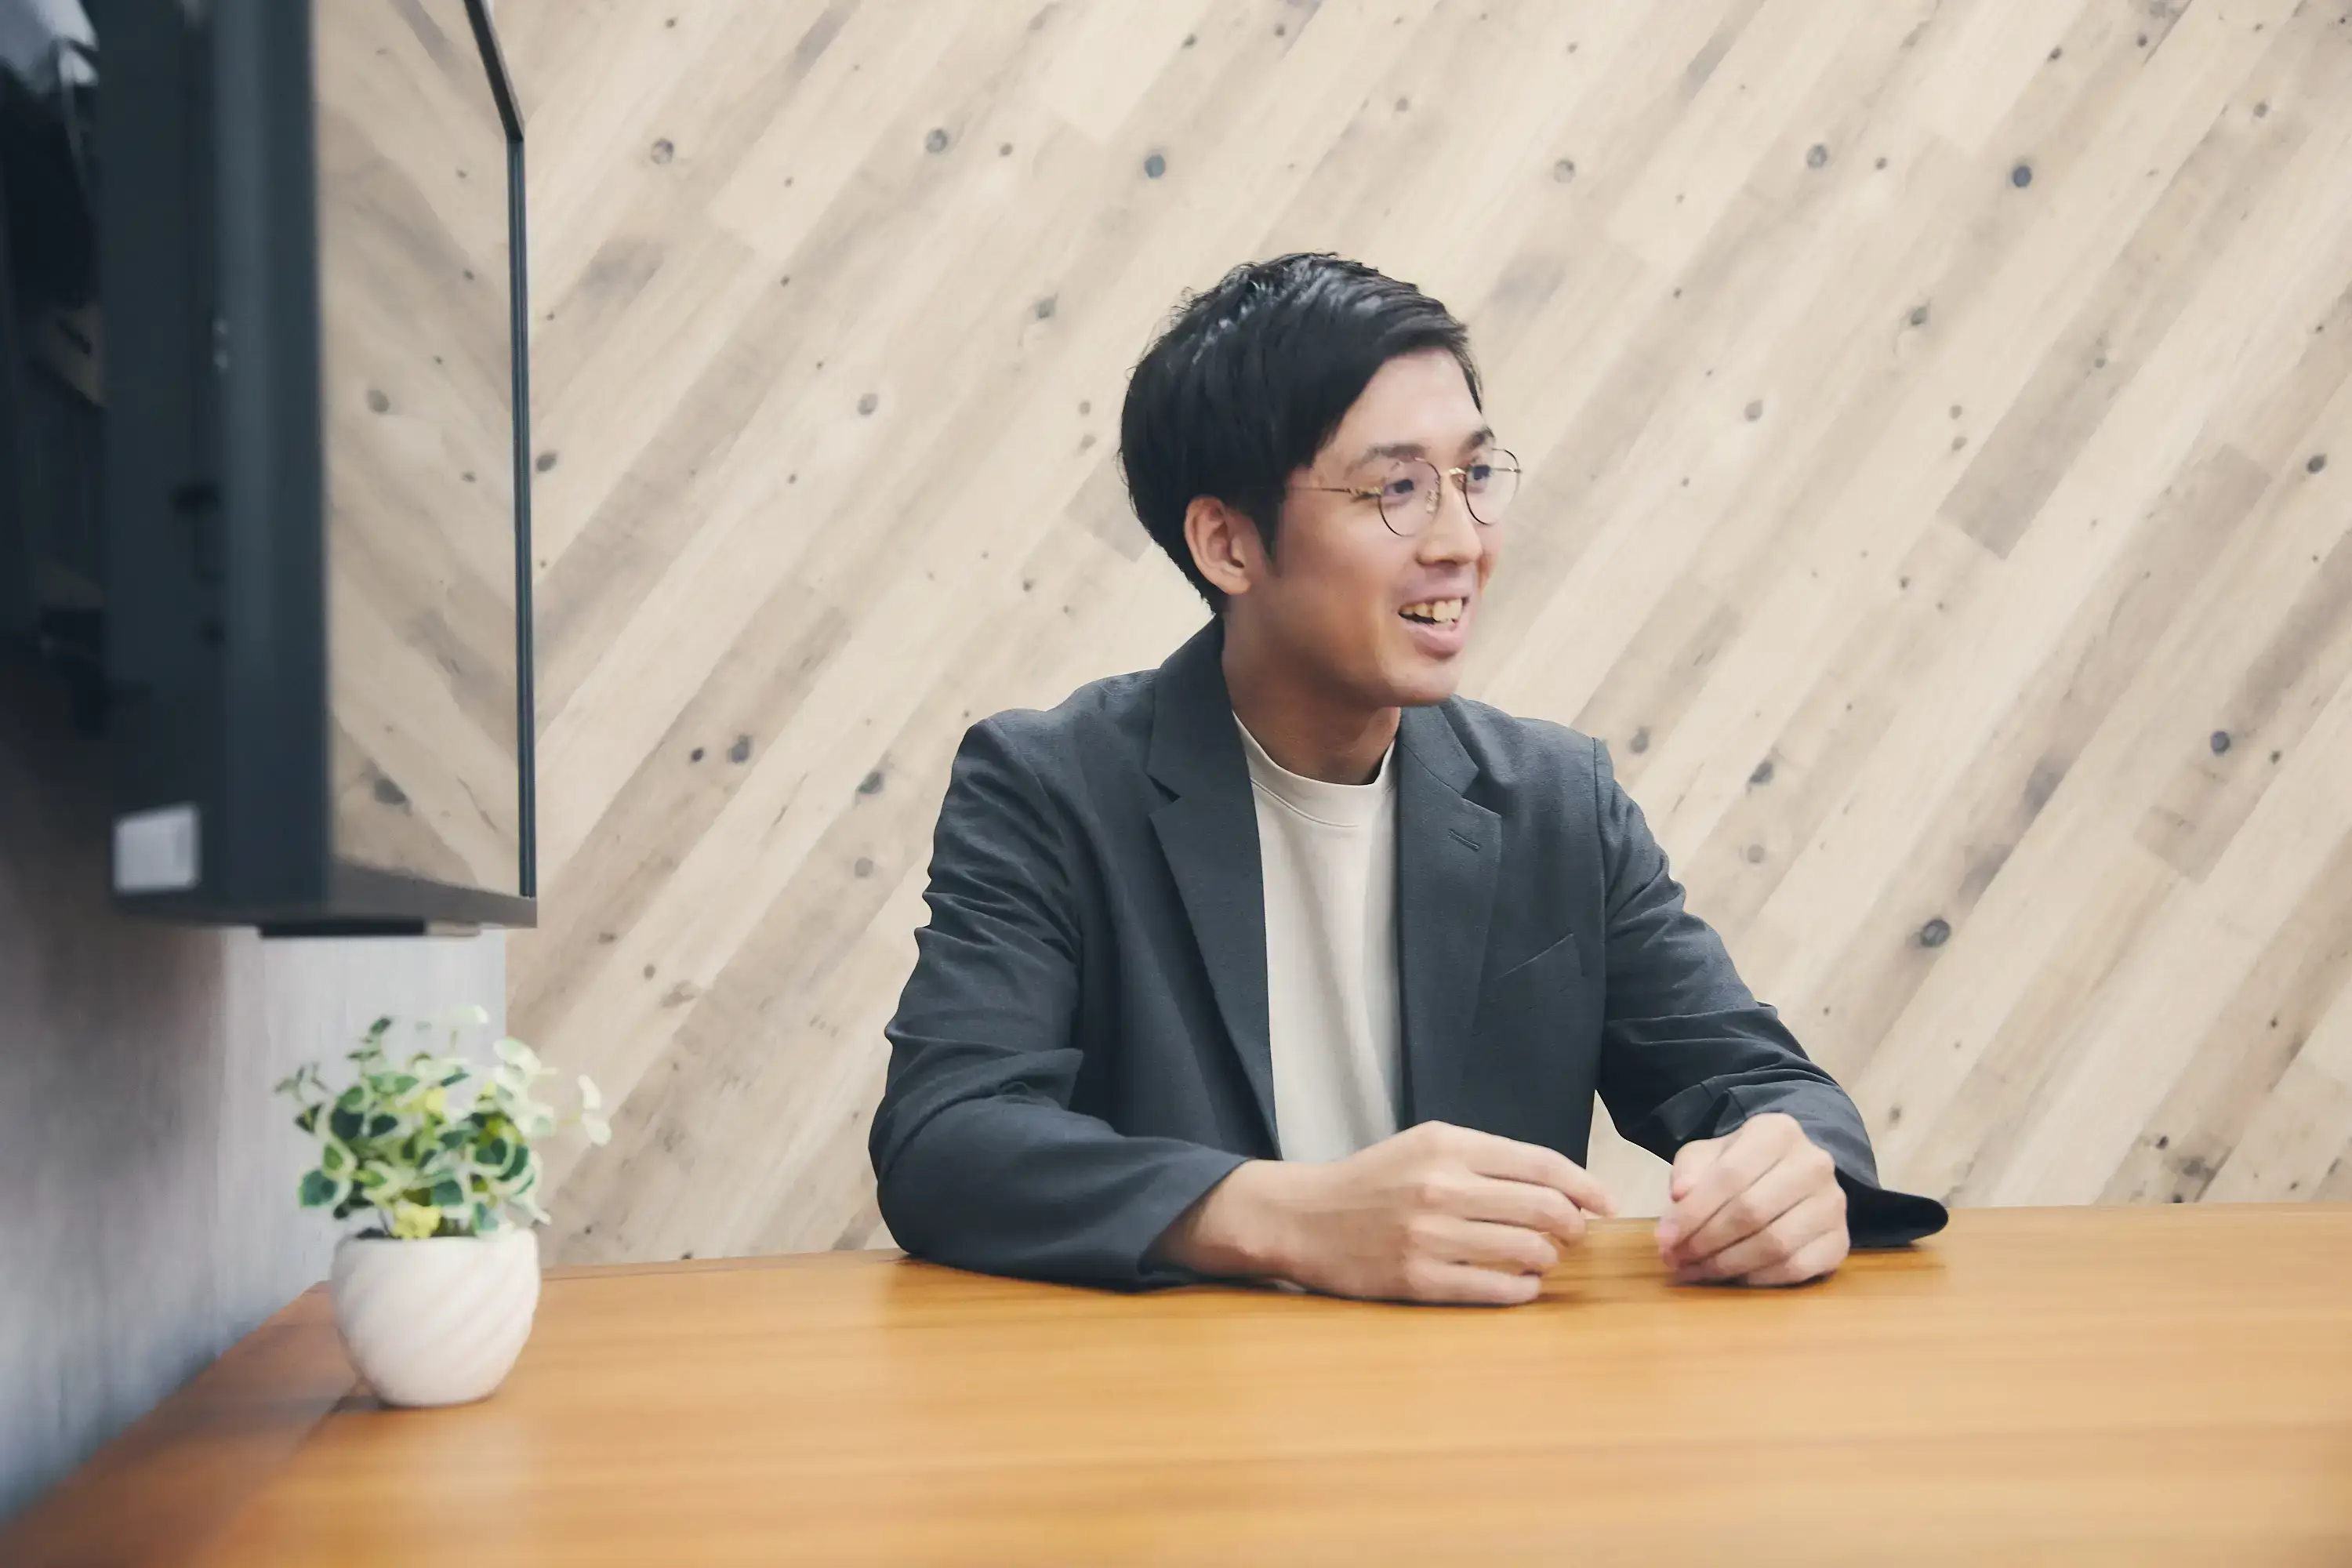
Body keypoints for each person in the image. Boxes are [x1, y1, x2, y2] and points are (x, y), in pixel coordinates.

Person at [869, 252, 1945, 1304]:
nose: (1462, 540)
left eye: (1474, 478)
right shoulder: (1051, 789)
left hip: (1484, 1396)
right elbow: (947, 1137)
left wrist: (1793, 1170)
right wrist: (1290, 1218)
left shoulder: (1556, 801)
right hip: (1188, 1400)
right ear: (1228, 544)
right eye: (1397, 489)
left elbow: (1763, 1084)